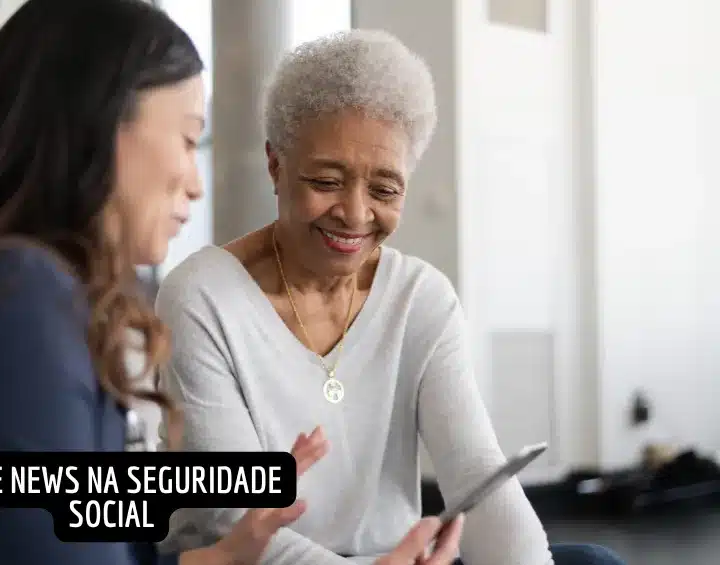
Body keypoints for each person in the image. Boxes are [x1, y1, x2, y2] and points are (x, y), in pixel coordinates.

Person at [0, 2, 462, 564]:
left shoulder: (28, 292)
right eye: (187, 138)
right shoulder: (13, 300)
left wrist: (227, 554)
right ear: (99, 127)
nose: (197, 183)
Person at [155, 29, 626, 565]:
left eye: (384, 190)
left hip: (395, 558)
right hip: (244, 563)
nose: (355, 215)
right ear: (275, 165)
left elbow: (476, 472)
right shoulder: (203, 296)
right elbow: (235, 518)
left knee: (592, 562)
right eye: (326, 180)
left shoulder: (421, 298)